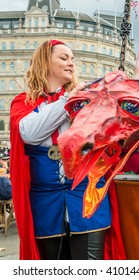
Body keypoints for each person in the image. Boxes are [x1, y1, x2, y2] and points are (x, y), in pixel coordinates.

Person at [10, 39, 125, 260]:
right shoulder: (23, 102)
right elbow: (29, 133)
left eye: (72, 59)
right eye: (64, 58)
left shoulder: (87, 99)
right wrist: (68, 100)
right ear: (45, 63)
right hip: (44, 199)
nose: (71, 63)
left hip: (87, 195)